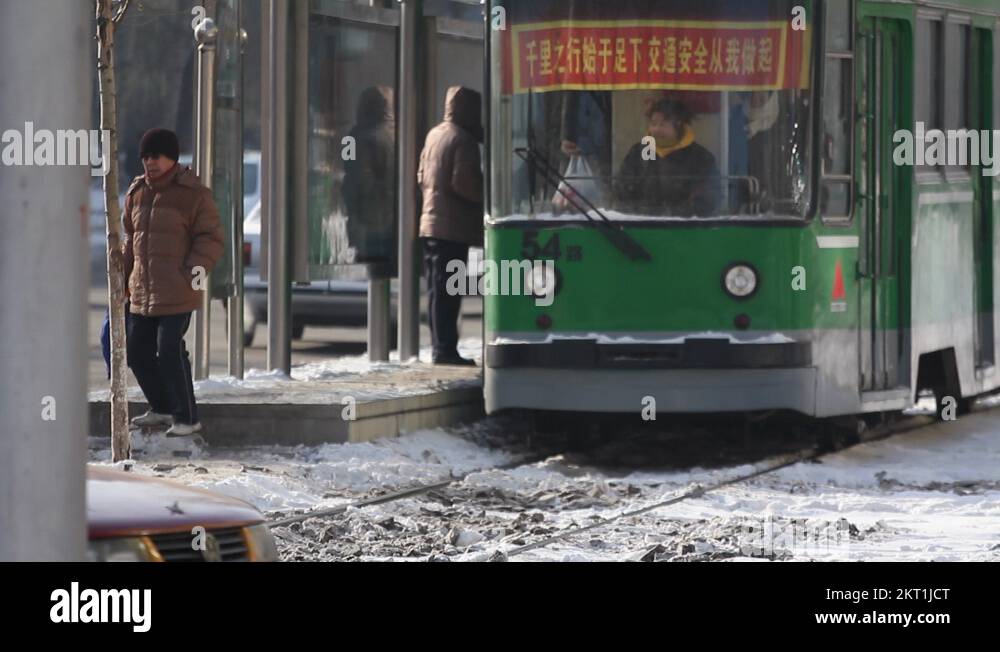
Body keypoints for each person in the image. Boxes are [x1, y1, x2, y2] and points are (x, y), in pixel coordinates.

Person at [122, 128, 224, 435]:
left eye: (156, 156)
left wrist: (192, 271)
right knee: (137, 351)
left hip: (178, 289)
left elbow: (211, 238)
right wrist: (123, 279)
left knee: (169, 350)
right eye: (145, 157)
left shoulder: (193, 194)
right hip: (142, 290)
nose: (150, 163)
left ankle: (187, 417)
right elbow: (131, 239)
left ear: (172, 158)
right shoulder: (137, 192)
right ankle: (163, 407)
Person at [417, 86, 484, 366]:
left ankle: (439, 347)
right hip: (452, 228)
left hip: (430, 223)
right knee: (448, 292)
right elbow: (464, 183)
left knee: (436, 290)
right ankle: (445, 350)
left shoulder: (435, 134)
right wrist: (485, 197)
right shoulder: (463, 141)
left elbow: (421, 174)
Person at [615, 99, 720, 217]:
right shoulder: (639, 152)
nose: (656, 129)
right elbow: (621, 190)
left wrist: (676, 215)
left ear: (679, 124)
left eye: (663, 124)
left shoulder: (700, 157)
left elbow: (709, 198)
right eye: (653, 124)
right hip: (641, 226)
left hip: (683, 229)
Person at [342, 86, 396, 263]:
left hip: (365, 218)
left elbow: (351, 174)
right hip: (392, 219)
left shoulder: (351, 138)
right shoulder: (396, 136)